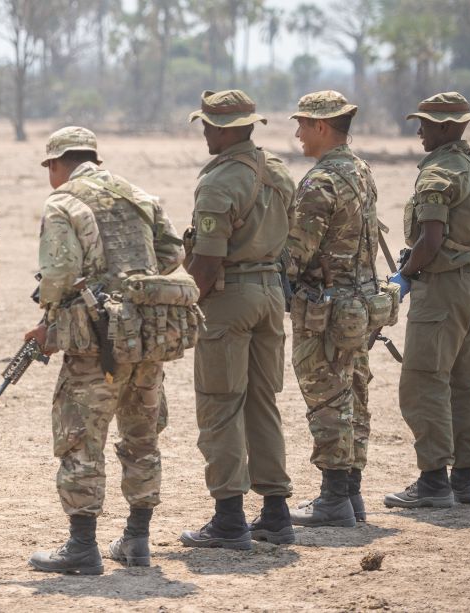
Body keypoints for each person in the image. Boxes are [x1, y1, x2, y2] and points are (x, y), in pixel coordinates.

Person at [26, 126, 186, 574]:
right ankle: (137, 540)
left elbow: (58, 273)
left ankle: (81, 547)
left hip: (95, 342)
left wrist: (50, 319)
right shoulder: (139, 194)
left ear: (58, 164)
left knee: (80, 437)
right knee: (142, 436)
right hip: (148, 338)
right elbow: (173, 253)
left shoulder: (64, 201)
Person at [178, 90, 297, 550]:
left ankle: (229, 518)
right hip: (270, 293)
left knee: (220, 405)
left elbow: (207, 266)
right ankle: (275, 513)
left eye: (208, 125)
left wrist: (181, 305)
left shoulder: (220, 182)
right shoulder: (277, 171)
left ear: (227, 130)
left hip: (230, 300)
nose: (204, 132)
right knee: (261, 403)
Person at [384, 92, 470, 509]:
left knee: (424, 381)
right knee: (462, 384)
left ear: (447, 128)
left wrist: (407, 272)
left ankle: (433, 480)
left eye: (426, 124)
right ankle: (463, 480)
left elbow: (431, 240)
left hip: (443, 289)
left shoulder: (440, 171)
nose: (419, 130)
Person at [285, 91, 379, 528]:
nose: (298, 133)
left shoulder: (319, 181)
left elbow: (295, 254)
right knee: (354, 393)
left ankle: (333, 498)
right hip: (360, 304)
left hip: (326, 308)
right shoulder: (362, 171)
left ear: (322, 127)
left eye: (303, 124)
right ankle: (352, 495)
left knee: (327, 398)